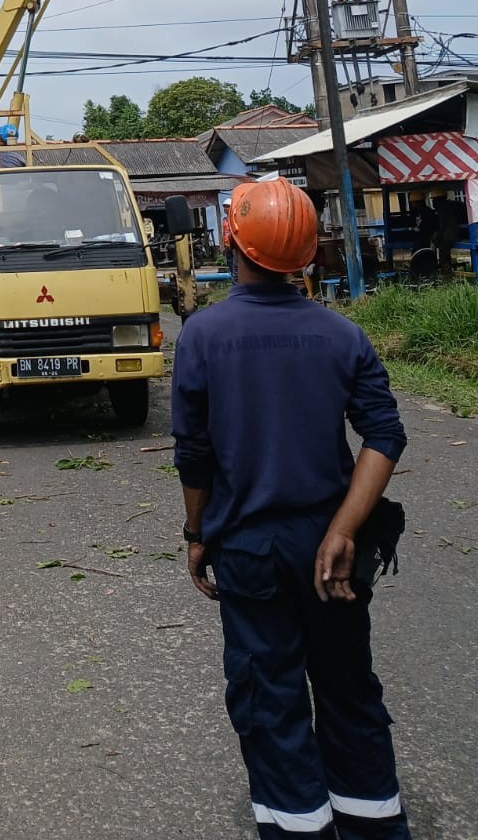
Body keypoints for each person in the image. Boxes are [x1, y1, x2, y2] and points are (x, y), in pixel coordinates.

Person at [172, 176, 411, 840]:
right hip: (334, 551)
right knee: (347, 687)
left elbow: (194, 456)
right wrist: (343, 529)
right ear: (307, 254)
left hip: (248, 548)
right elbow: (384, 435)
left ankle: (301, 828)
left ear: (232, 240)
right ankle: (375, 825)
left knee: (269, 696)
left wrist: (197, 534)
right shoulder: (343, 337)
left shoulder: (202, 336)